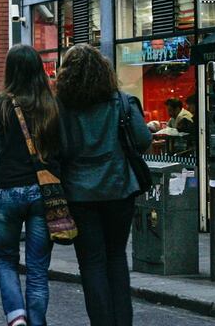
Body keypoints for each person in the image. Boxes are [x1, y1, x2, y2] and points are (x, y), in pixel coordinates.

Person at [56, 44, 151, 326]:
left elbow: (57, 149)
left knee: (92, 263)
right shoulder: (122, 102)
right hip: (119, 188)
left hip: (79, 194)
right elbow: (143, 139)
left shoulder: (62, 107)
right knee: (116, 257)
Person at [0, 45, 63, 326]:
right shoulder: (51, 105)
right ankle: (37, 322)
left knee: (5, 259)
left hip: (4, 190)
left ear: (10, 70)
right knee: (38, 268)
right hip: (41, 191)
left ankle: (16, 318)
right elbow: (61, 151)